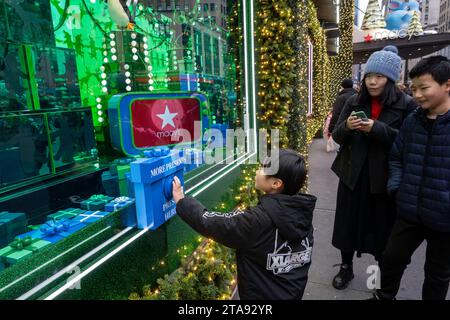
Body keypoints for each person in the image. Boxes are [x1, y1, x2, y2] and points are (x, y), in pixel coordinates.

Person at [172, 149, 317, 299]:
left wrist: (182, 202)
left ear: (276, 183)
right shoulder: (302, 213)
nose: (257, 170)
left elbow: (214, 223)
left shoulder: (258, 220)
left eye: (262, 168)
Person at [330, 45, 419, 290]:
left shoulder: (408, 105)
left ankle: (379, 278)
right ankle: (346, 268)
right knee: (347, 226)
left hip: (384, 181)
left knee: (382, 232)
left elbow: (408, 141)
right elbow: (337, 136)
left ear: (390, 79)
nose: (372, 81)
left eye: (378, 76)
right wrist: (347, 126)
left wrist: (376, 129)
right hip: (352, 177)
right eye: (369, 76)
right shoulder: (353, 101)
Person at [372, 56, 450, 300]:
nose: (417, 95)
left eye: (424, 88)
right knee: (391, 259)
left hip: (444, 218)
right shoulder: (412, 121)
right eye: (414, 88)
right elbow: (396, 156)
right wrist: (397, 186)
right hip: (409, 210)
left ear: (447, 85)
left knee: (437, 274)